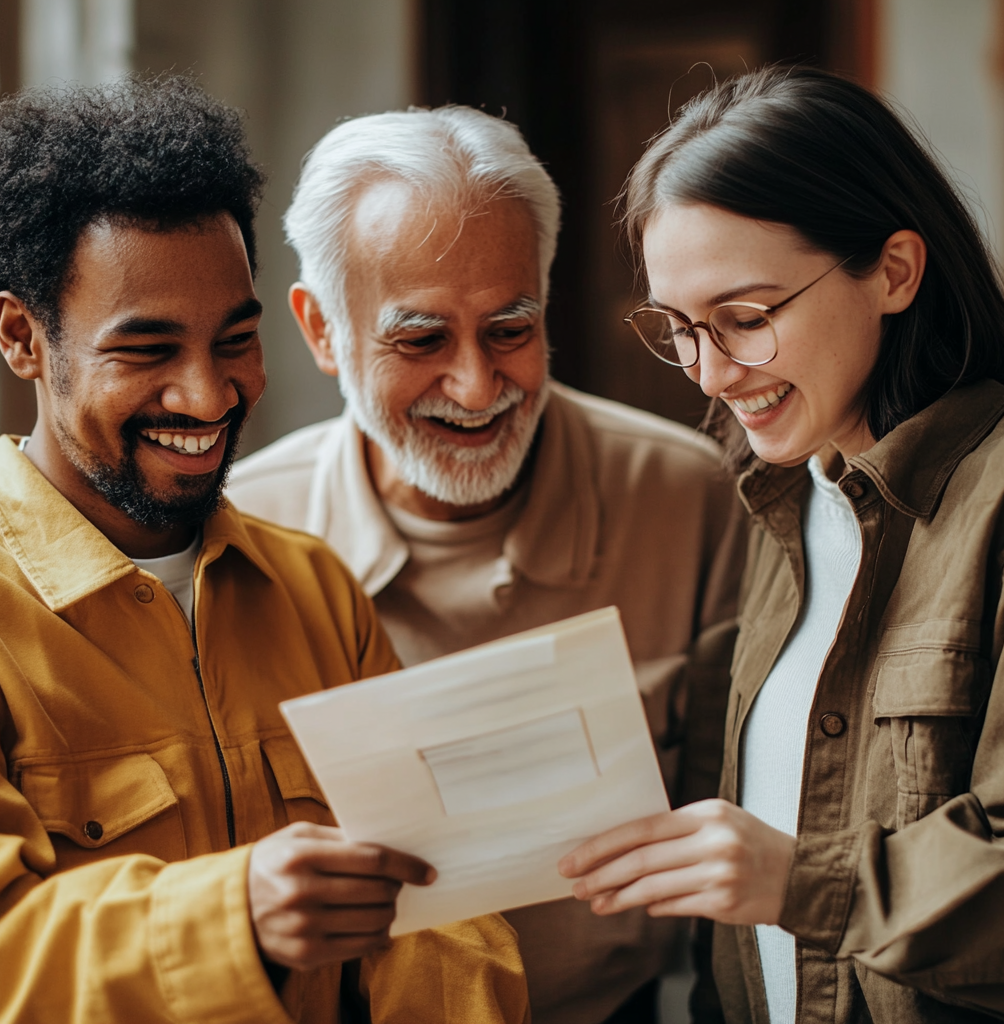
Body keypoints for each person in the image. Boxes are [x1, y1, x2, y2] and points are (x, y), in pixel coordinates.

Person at [0, 77, 530, 1024]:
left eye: (235, 340)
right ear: (23, 338)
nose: (207, 396)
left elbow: (448, 918)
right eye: (146, 351)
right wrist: (234, 916)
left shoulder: (317, 590)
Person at [227, 105, 746, 1024]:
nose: (475, 386)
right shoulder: (240, 531)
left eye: (510, 329)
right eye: (420, 339)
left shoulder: (687, 495)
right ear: (320, 330)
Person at [558, 65, 1004, 1024]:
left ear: (893, 270)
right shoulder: (782, 500)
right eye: (679, 328)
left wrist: (802, 883)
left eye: (748, 318)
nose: (712, 373)